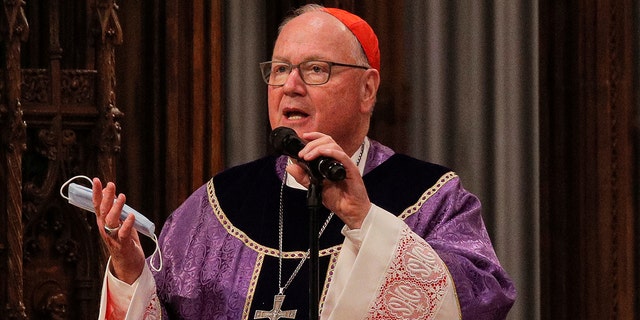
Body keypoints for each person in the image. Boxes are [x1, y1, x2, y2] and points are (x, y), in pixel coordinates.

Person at [93, 4, 516, 320]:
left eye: (315, 69)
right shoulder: (215, 206)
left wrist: (365, 222)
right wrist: (131, 275)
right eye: (279, 69)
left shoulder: (431, 198)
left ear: (367, 90)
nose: (290, 86)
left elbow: (479, 299)